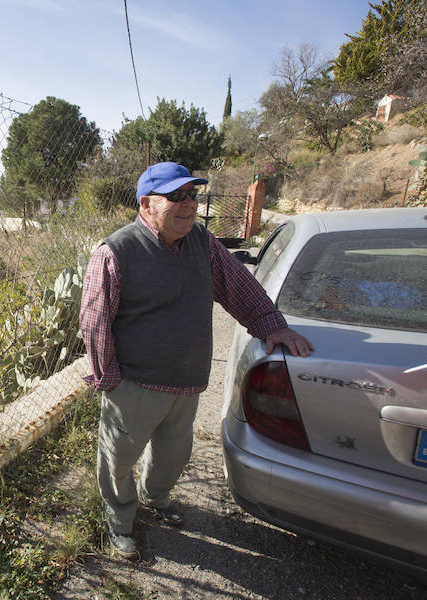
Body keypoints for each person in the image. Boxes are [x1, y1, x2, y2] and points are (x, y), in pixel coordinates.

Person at [80, 161, 313, 560]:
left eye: (192, 195)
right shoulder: (115, 252)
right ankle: (120, 522)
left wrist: (272, 325)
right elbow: (95, 321)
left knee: (173, 456)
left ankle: (155, 498)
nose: (188, 205)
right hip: (135, 385)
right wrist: (111, 380)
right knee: (118, 460)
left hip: (186, 383)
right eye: (176, 197)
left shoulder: (203, 243)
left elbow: (239, 288)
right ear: (146, 204)